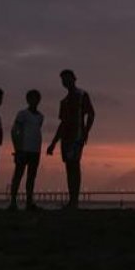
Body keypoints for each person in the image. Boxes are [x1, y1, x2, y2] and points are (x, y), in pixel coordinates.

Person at [47, 69, 95, 209]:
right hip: (66, 138)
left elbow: (91, 114)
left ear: (74, 79)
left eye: (67, 78)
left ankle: (74, 201)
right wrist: (53, 143)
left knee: (74, 165)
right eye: (63, 80)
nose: (65, 81)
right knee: (69, 167)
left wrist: (86, 131)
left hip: (77, 136)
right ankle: (72, 201)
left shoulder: (82, 95)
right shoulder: (64, 101)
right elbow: (62, 124)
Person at [8, 89, 45, 211]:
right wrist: (17, 147)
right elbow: (15, 130)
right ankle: (13, 202)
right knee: (18, 174)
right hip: (23, 149)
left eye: (37, 98)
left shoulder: (40, 116)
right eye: (32, 98)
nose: (35, 101)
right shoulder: (22, 114)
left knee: (31, 176)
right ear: (28, 100)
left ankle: (29, 202)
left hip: (36, 150)